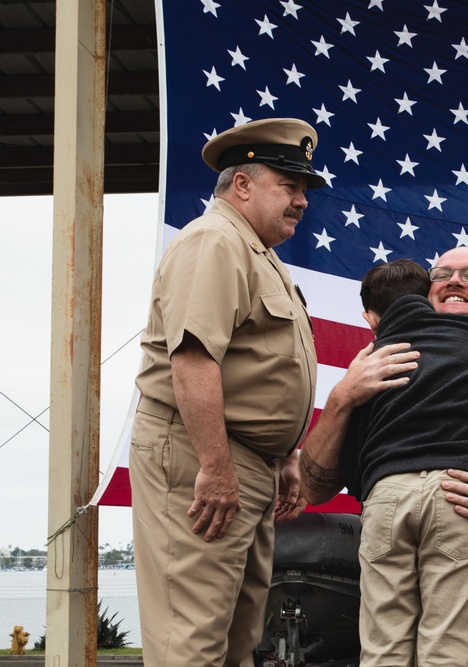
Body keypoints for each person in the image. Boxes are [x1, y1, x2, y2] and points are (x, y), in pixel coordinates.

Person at [300, 246, 468, 667]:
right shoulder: (375, 372)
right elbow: (313, 491)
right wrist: (341, 399)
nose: (454, 279)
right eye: (442, 273)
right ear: (423, 296)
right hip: (419, 606)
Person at [129, 117, 326, 666]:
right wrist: (215, 467)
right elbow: (193, 358)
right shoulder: (216, 240)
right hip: (203, 455)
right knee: (190, 644)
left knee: (235, 641)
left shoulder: (257, 253)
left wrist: (283, 456)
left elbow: (258, 368)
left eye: (303, 190)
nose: (301, 201)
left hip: (245, 463)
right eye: (289, 186)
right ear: (242, 184)